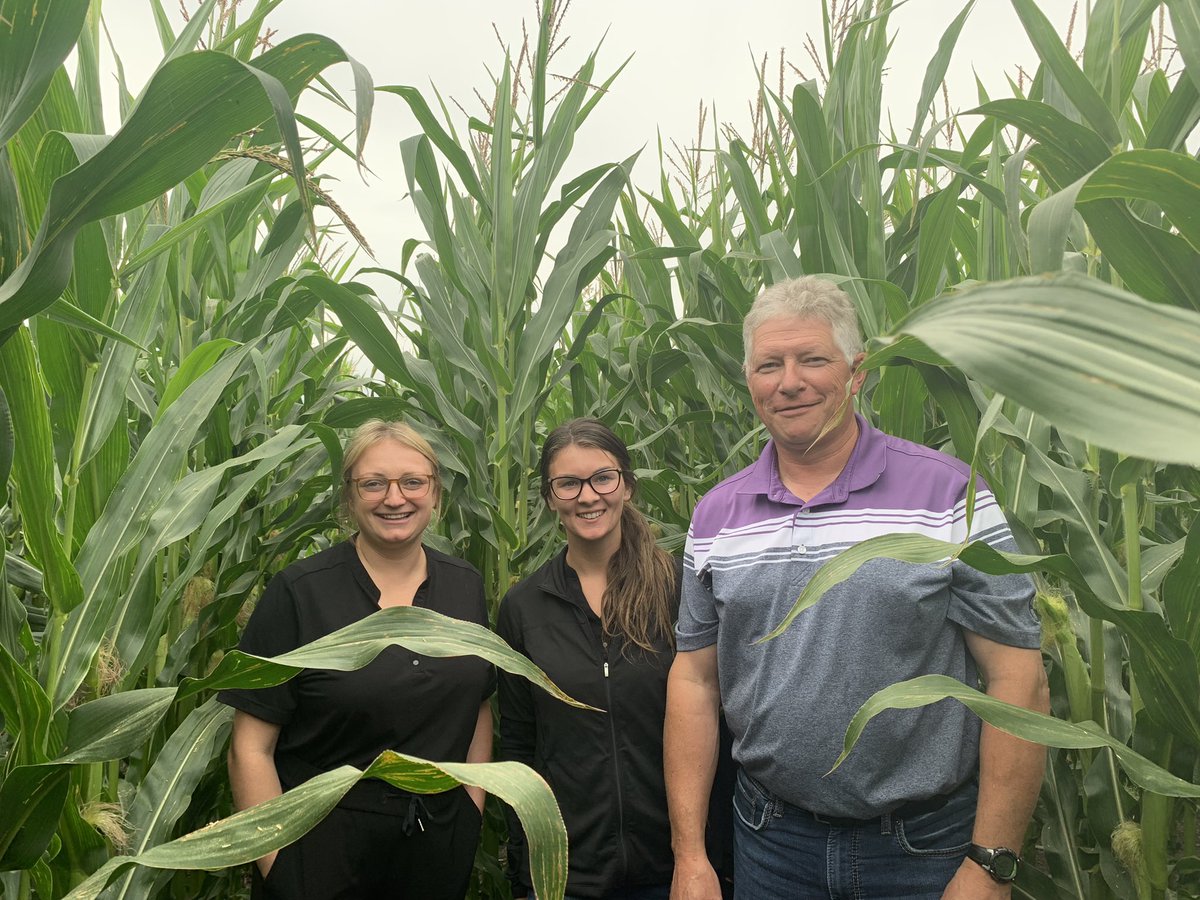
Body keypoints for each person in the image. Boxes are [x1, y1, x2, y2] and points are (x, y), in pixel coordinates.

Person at [664, 276, 1050, 900]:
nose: (789, 381)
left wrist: (991, 863)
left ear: (856, 372)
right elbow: (695, 681)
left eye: (813, 359)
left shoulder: (950, 495)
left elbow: (1018, 680)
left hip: (925, 847)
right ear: (749, 380)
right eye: (769, 365)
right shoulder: (716, 517)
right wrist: (690, 855)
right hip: (771, 843)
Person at [219, 419, 494, 900]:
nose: (395, 498)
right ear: (349, 497)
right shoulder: (300, 593)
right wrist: (282, 867)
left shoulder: (464, 586)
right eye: (373, 483)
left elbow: (478, 706)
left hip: (435, 846)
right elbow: (250, 747)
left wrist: (469, 817)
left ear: (436, 495)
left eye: (413, 481)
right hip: (319, 850)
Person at [497, 419, 732, 900]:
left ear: (627, 485)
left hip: (673, 870)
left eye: (603, 478)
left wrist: (714, 857)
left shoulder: (679, 589)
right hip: (566, 874)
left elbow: (719, 724)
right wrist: (527, 867)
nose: (588, 496)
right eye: (568, 483)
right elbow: (520, 747)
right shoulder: (524, 607)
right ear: (549, 497)